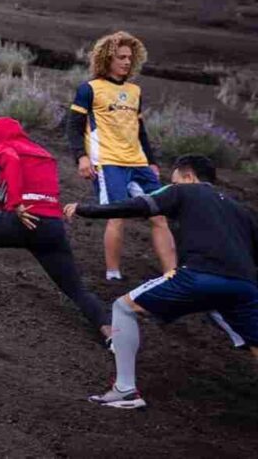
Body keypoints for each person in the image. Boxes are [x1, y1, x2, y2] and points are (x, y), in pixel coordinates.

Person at [65, 155, 258, 409]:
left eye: (175, 178)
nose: (172, 184)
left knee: (123, 307)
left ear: (188, 176)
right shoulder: (240, 210)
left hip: (199, 276)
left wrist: (86, 209)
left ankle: (125, 391)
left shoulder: (184, 191)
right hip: (245, 287)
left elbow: (137, 206)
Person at [0, 117, 110, 340]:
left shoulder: (4, 148)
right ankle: (110, 335)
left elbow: (12, 163)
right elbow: (38, 188)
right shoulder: (41, 153)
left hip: (21, 222)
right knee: (76, 289)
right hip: (51, 227)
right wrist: (3, 199)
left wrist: (14, 204)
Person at [67, 31, 175, 281]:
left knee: (159, 216)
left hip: (138, 162)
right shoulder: (89, 89)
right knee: (117, 216)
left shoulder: (135, 91)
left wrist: (152, 161)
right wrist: (81, 157)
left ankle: (172, 273)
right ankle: (113, 275)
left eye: (130, 57)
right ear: (107, 59)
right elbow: (73, 126)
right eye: (121, 57)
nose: (126, 62)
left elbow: (141, 131)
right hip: (108, 163)